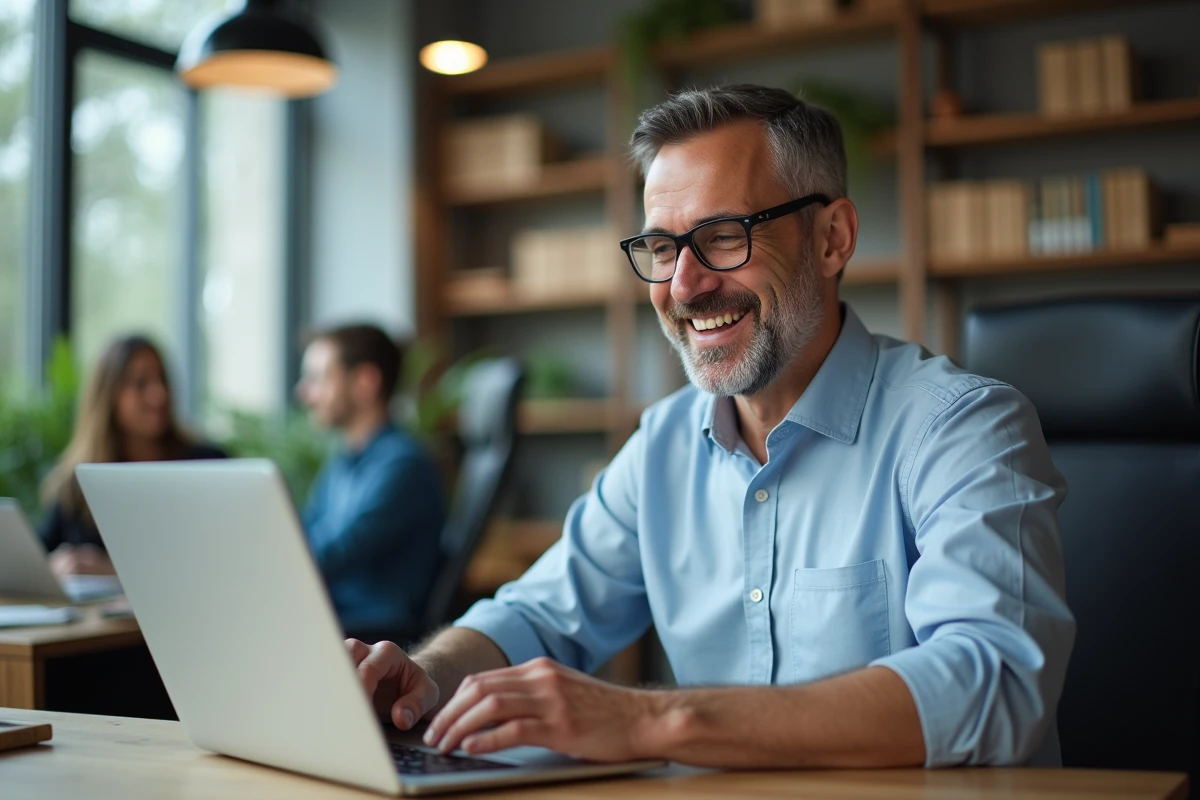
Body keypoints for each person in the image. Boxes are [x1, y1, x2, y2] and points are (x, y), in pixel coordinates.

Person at [347, 85, 1075, 769]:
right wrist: (424, 679)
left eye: (724, 235)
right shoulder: (663, 444)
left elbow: (996, 682)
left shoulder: (963, 427)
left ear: (832, 238)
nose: (686, 286)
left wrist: (654, 722)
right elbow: (539, 616)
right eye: (663, 248)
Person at [296, 324, 446, 639]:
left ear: (365, 382)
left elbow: (332, 554)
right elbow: (305, 533)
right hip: (337, 615)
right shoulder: (343, 462)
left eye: (319, 378)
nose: (304, 393)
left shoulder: (403, 465)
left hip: (372, 632)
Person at [40, 334, 226, 575]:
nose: (158, 394)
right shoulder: (78, 483)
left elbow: (221, 559)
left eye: (162, 379)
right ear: (108, 396)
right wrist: (56, 565)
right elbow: (38, 558)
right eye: (140, 383)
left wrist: (111, 569)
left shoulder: (207, 465)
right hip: (95, 613)